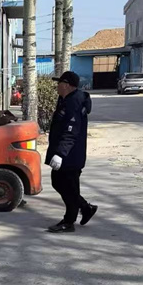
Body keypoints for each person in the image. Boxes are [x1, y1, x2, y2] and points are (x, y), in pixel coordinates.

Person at [45, 70, 98, 233]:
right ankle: (85, 208)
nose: (57, 86)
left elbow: (71, 131)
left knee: (69, 186)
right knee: (60, 183)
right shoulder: (65, 99)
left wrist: (60, 154)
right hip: (66, 153)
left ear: (67, 85)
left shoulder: (74, 102)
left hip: (70, 155)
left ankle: (69, 222)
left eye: (59, 83)